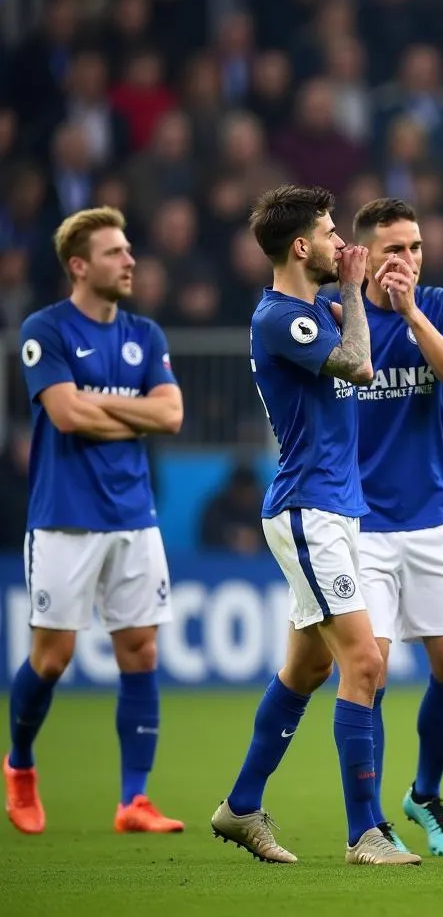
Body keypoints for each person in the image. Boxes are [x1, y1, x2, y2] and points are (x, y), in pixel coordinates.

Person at [210, 184, 420, 867]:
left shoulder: (306, 312)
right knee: (366, 661)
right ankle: (366, 833)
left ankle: (241, 807)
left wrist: (344, 301)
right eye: (331, 232)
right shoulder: (280, 318)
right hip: (308, 510)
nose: (342, 244)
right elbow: (361, 366)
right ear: (301, 247)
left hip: (333, 506)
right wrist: (356, 291)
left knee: (307, 668)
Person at [5, 206, 184, 836]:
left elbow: (171, 417)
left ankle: (134, 800)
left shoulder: (146, 334)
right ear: (79, 266)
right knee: (52, 659)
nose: (130, 260)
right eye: (115, 253)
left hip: (135, 516)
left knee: (140, 651)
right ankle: (21, 765)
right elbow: (63, 416)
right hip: (66, 519)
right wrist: (128, 410)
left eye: (129, 250)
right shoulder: (44, 329)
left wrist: (97, 403)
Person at [350, 197, 443, 857]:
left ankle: (424, 792)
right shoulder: (337, 314)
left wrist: (411, 314)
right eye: (395, 248)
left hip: (432, 518)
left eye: (416, 248)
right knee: (368, 669)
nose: (408, 260)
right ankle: (370, 823)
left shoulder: (441, 305)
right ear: (365, 253)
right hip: (360, 525)